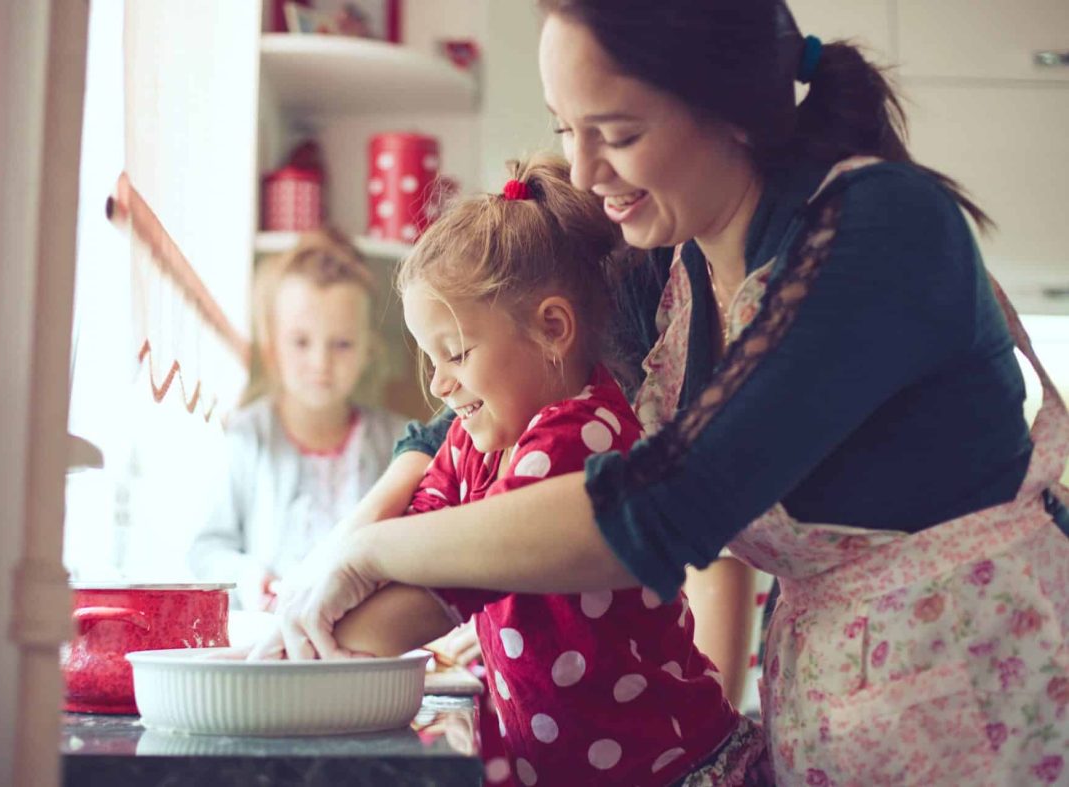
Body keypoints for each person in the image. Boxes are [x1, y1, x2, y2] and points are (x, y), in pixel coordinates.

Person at [268, 2, 1069, 783]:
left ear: (733, 113)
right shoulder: (668, 262)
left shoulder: (881, 230)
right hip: (839, 717)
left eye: (616, 134)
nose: (583, 172)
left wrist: (371, 551)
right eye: (564, 130)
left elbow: (655, 509)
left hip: (987, 703)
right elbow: (464, 411)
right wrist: (340, 552)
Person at [269, 155, 767, 786]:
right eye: (430, 360)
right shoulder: (482, 434)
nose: (440, 383)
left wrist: (287, 652)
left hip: (676, 773)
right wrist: (326, 588)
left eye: (456, 353)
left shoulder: (579, 437)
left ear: (552, 328)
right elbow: (424, 516)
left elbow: (443, 583)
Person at [188, 228, 407, 610]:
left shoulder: (400, 442)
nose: (320, 363)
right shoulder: (247, 436)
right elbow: (207, 547)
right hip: (270, 640)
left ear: (366, 349)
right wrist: (252, 580)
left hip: (367, 642)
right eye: (301, 342)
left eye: (341, 344)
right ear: (272, 347)